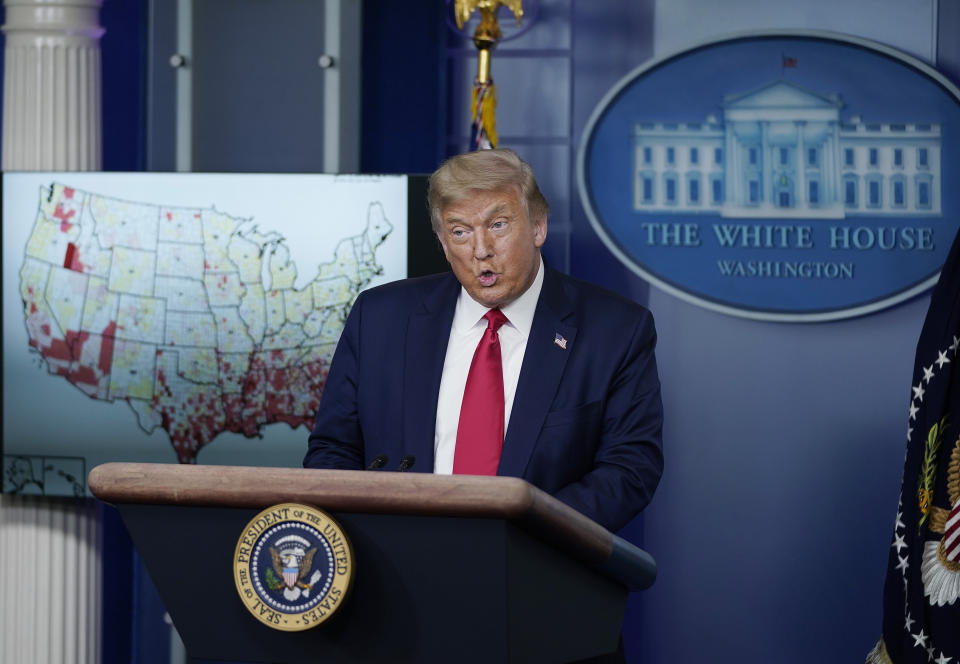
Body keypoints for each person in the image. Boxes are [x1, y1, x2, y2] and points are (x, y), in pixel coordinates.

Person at [304, 148, 663, 532]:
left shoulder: (615, 330)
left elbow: (628, 470)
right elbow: (332, 452)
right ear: (443, 243)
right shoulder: (379, 318)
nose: (481, 250)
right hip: (397, 566)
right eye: (460, 232)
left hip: (538, 570)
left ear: (538, 227)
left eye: (498, 225)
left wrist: (524, 537)